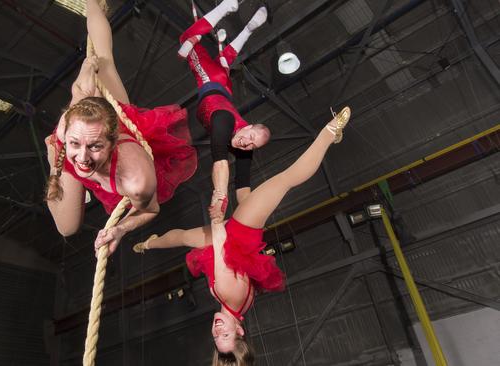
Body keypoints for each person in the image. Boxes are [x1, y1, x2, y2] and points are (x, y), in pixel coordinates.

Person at [131, 107, 352, 365]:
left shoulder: (239, 307)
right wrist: (216, 214)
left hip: (232, 242)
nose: (216, 331)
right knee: (285, 180)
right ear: (239, 331)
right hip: (238, 231)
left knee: (185, 236)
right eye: (225, 334)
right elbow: (221, 238)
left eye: (216, 337)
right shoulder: (227, 294)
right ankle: (331, 132)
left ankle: (149, 243)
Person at [45, 0, 197, 255]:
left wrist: (121, 228)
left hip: (112, 142)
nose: (83, 158)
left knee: (104, 60)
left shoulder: (136, 178)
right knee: (65, 224)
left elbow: (151, 208)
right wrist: (86, 67)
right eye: (76, 144)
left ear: (112, 141)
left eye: (95, 146)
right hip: (66, 139)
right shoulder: (66, 128)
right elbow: (79, 98)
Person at [179, 0, 271, 210]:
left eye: (252, 145)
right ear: (248, 126)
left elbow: (243, 184)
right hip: (211, 82)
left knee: (225, 59)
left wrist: (248, 215)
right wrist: (220, 196)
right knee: (185, 41)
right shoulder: (225, 120)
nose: (247, 144)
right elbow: (220, 159)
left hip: (224, 84)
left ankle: (247, 29)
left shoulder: (244, 147)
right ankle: (226, 7)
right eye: (251, 138)